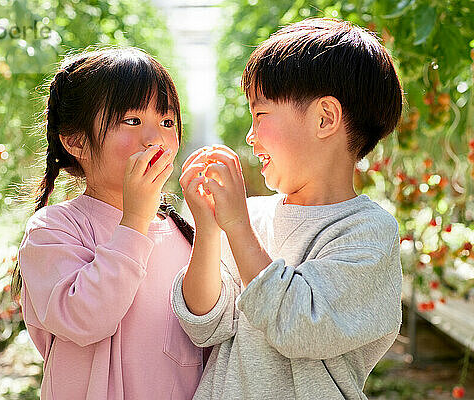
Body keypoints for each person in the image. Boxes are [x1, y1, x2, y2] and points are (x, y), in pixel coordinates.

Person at [171, 18, 404, 399]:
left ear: (324, 118)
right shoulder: (252, 218)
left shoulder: (367, 233)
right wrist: (211, 230)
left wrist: (236, 227)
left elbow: (300, 325)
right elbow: (205, 325)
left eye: (260, 115)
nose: (250, 134)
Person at [12, 47, 202, 399]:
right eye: (132, 121)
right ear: (76, 141)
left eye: (167, 122)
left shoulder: (181, 233)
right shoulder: (53, 229)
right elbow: (85, 319)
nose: (154, 139)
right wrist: (134, 220)